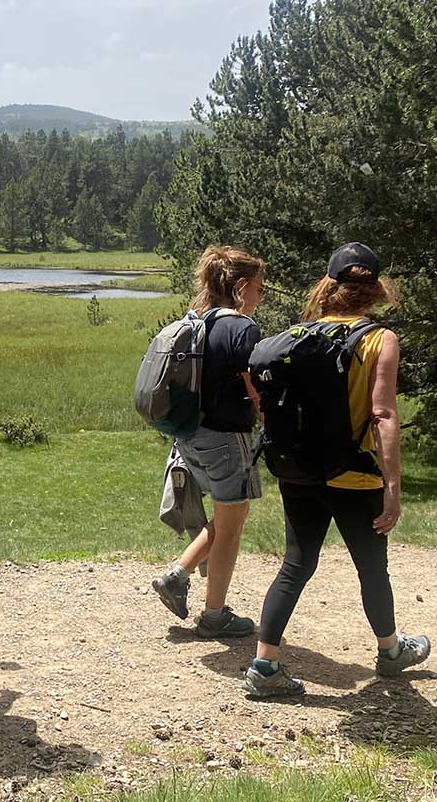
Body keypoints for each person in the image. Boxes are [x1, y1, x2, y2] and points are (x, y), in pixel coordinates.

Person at [243, 243, 431, 698]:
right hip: (356, 475)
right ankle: (390, 652)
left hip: (300, 472)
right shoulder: (379, 339)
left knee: (295, 564)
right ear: (376, 291)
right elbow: (383, 415)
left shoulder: (297, 336)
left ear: (328, 287)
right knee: (371, 568)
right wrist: (393, 487)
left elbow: (259, 388)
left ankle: (264, 666)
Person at [151, 245, 266, 639]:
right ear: (241, 286)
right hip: (227, 439)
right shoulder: (242, 328)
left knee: (229, 517)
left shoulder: (196, 320)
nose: (260, 297)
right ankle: (214, 614)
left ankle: (178, 575)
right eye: (260, 288)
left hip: (189, 437)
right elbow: (257, 388)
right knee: (232, 525)